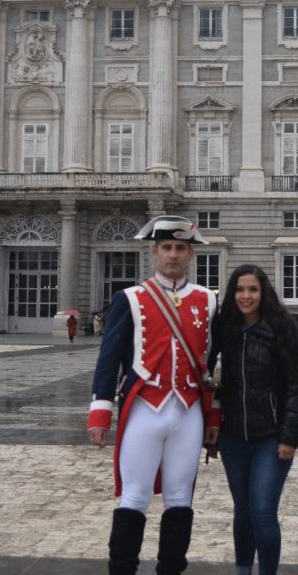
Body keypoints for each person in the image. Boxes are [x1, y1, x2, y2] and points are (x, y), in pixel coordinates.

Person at [87, 215, 215, 575]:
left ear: (190, 255)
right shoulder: (129, 298)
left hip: (188, 411)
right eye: (166, 248)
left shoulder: (208, 301)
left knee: (180, 498)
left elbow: (213, 365)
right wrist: (100, 413)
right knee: (134, 496)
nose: (173, 255)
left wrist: (215, 417)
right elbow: (108, 358)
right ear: (154, 252)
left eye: (180, 248)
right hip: (144, 407)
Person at [205, 265, 298, 575]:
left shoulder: (280, 328)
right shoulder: (224, 330)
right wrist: (210, 430)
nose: (246, 296)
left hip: (271, 437)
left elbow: (297, 387)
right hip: (233, 436)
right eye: (239, 289)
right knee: (242, 513)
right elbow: (211, 383)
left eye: (252, 289)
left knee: (263, 513)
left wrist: (289, 437)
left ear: (263, 292)